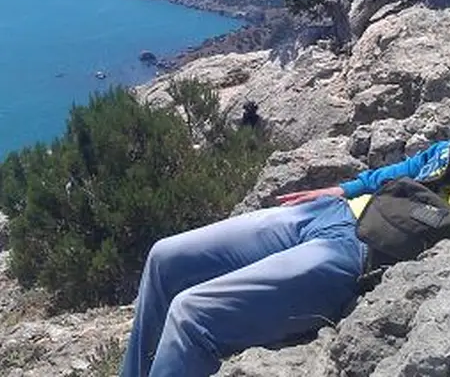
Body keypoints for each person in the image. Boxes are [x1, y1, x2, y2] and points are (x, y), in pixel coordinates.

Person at [121, 140, 450, 377]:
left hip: (362, 249)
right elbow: (415, 166)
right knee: (164, 258)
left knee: (191, 315)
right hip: (332, 211)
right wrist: (346, 189)